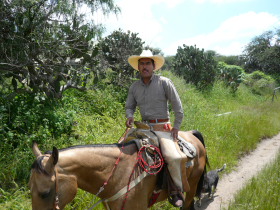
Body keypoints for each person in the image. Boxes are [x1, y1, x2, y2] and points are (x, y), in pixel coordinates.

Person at [125, 49, 184, 207]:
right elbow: (129, 106)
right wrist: (129, 116)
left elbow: (178, 107)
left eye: (147, 64)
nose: (145, 67)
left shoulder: (164, 82)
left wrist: (176, 127)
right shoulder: (134, 87)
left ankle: (176, 190)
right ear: (138, 67)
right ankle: (126, 186)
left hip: (162, 128)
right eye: (142, 64)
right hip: (143, 127)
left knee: (173, 157)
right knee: (122, 148)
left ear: (154, 66)